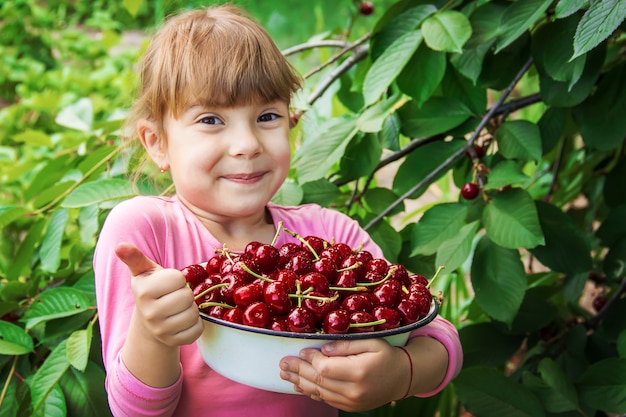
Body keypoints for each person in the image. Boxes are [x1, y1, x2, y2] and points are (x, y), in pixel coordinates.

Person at [93, 4, 463, 417]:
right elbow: (133, 411)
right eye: (211, 119)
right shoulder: (146, 233)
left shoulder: (329, 236)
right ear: (157, 143)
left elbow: (438, 338)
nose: (247, 144)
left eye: (267, 116)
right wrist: (153, 333)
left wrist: (403, 373)